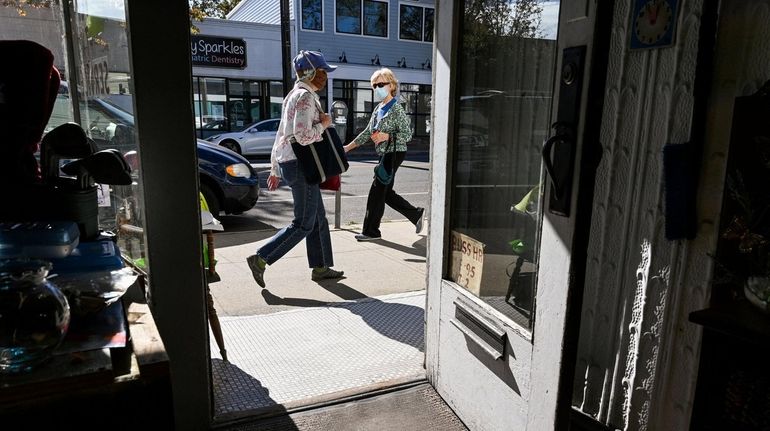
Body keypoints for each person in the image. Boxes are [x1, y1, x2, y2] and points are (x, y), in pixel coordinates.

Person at [246, 50, 344, 287]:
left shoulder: (294, 94)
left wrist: (274, 167)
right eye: (322, 72)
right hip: (301, 164)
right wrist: (324, 125)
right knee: (303, 223)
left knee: (318, 216)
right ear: (310, 72)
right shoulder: (305, 97)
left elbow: (281, 133)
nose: (325, 77)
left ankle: (321, 267)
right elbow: (301, 136)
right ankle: (261, 258)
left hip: (293, 163)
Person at [344, 68, 425, 241]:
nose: (377, 88)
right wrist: (347, 148)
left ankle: (371, 231)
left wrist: (387, 135)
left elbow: (408, 134)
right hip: (384, 154)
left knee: (376, 191)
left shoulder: (396, 109)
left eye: (381, 84)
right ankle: (416, 214)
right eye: (374, 85)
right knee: (385, 193)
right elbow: (367, 133)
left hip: (394, 153)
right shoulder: (378, 108)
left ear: (391, 85)